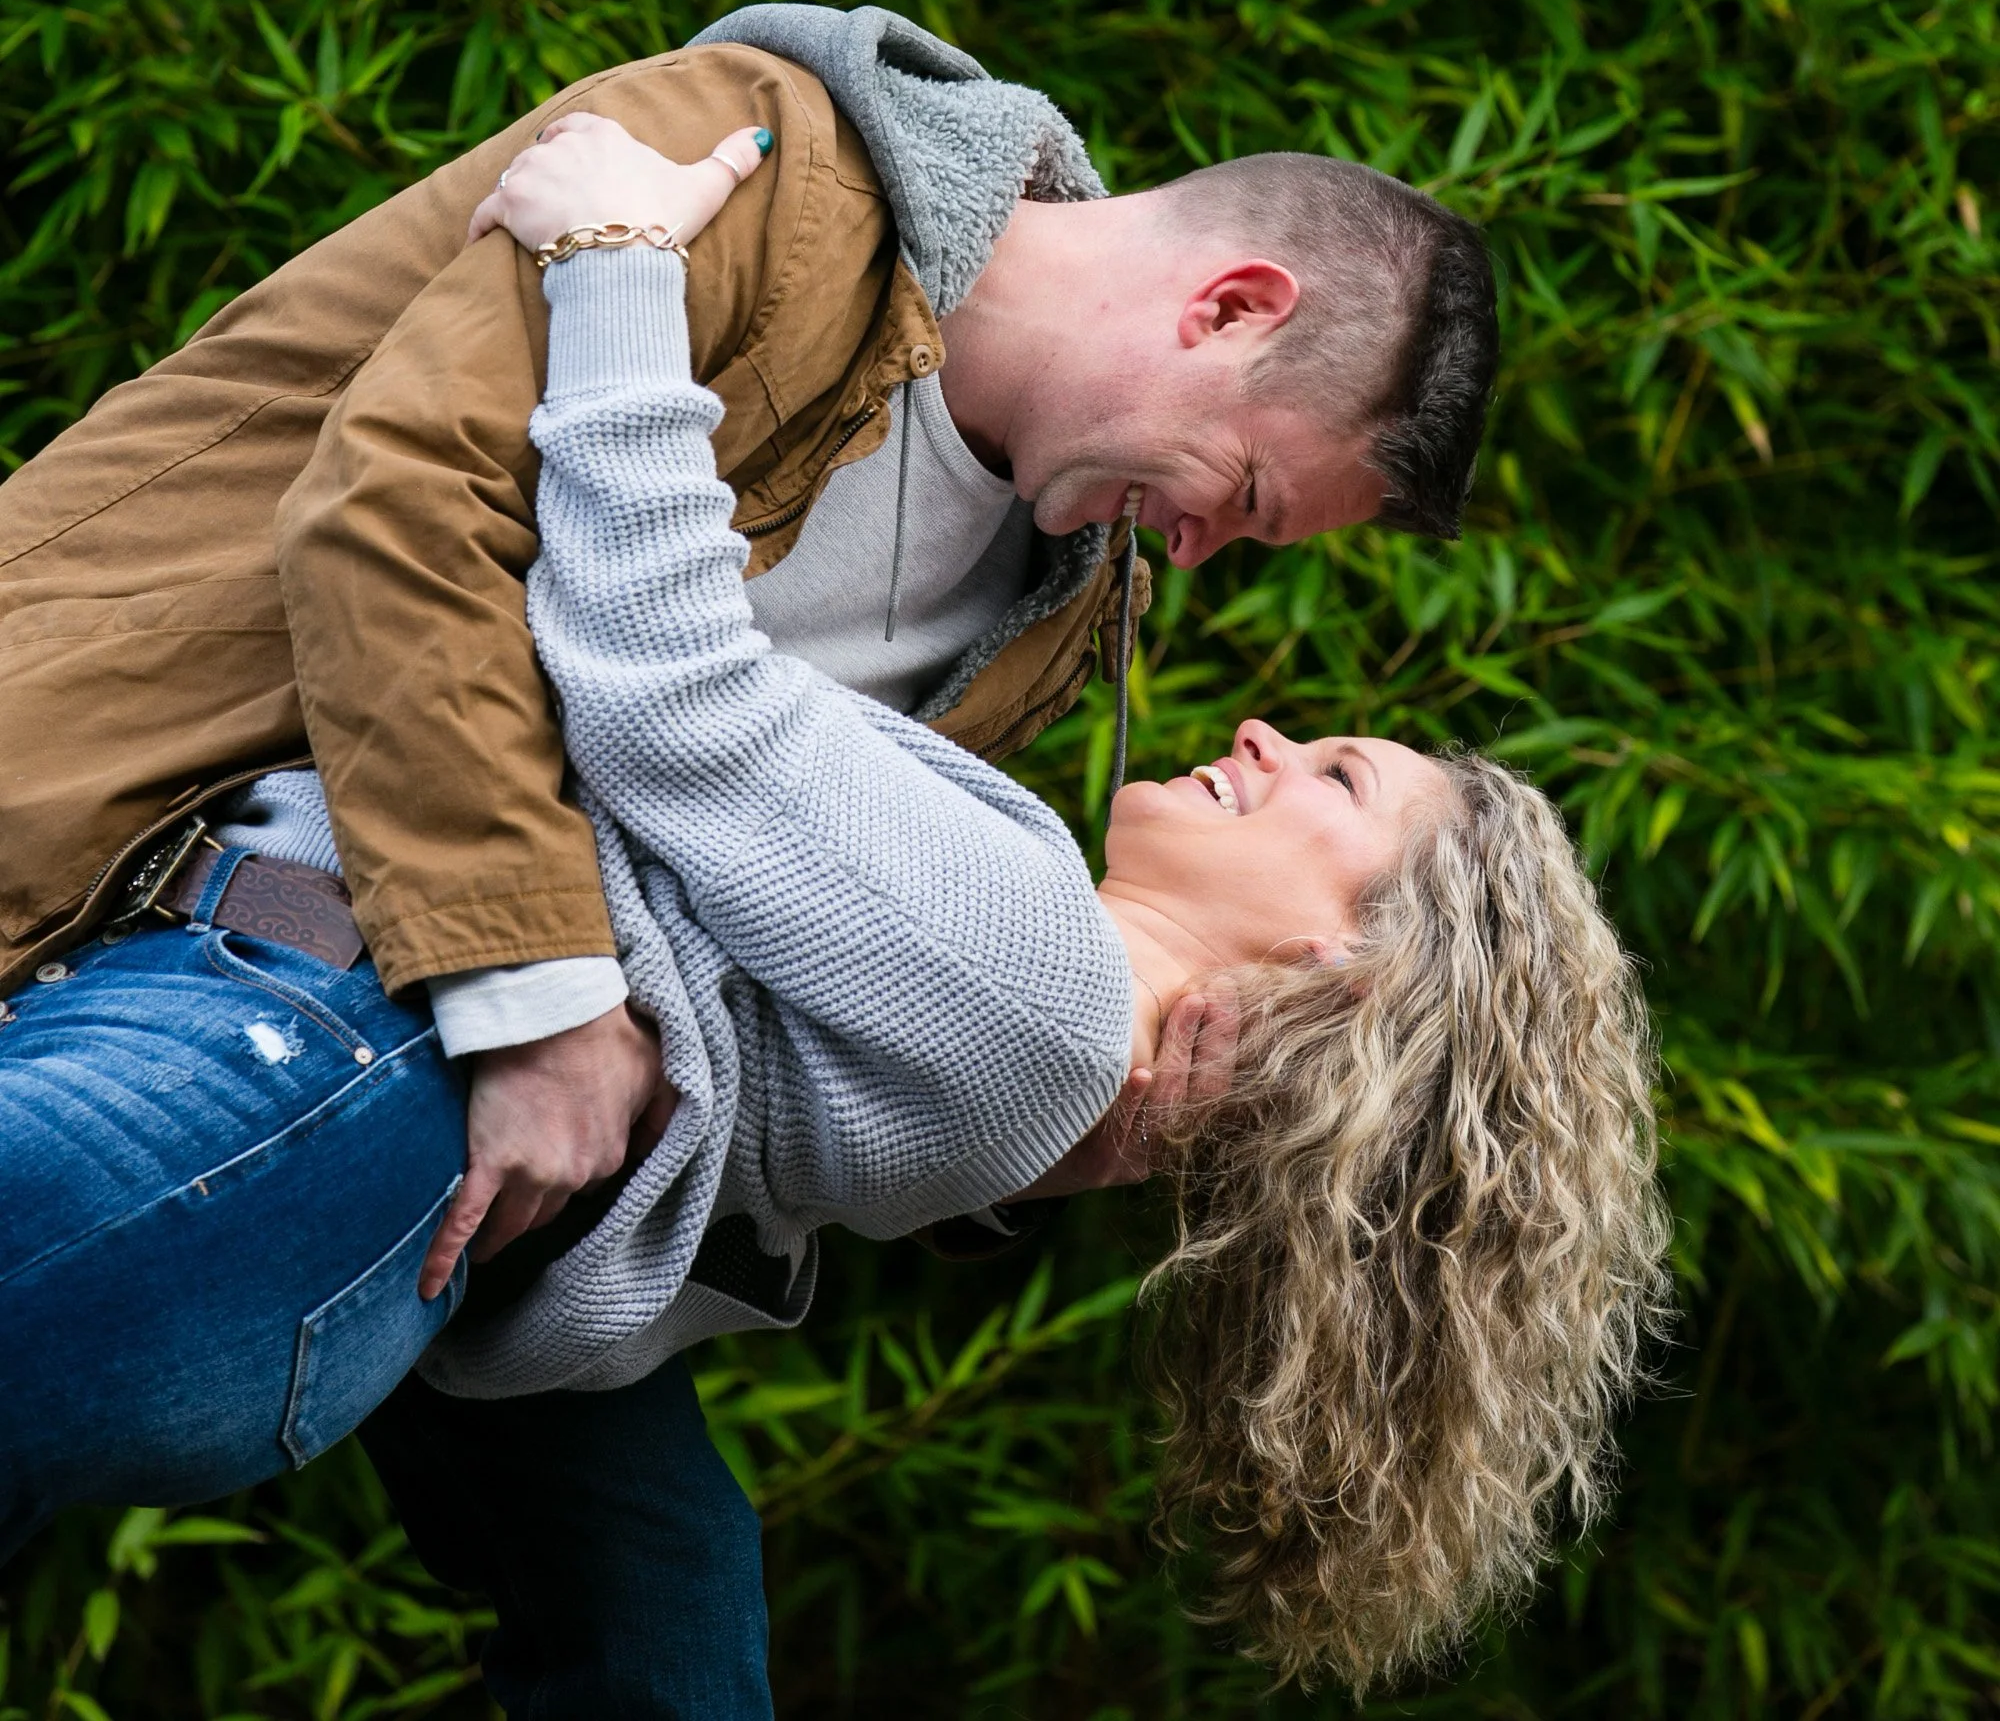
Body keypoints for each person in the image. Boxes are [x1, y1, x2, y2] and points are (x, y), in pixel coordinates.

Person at [0, 116, 1667, 1701]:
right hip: (308, 1151)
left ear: (1342, 970)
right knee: (675, 1617)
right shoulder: (1033, 1057)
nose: (1263, 729)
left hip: (299, 1075)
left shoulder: (1047, 998)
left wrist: (617, 265)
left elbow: (675, 692)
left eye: (1335, 783)